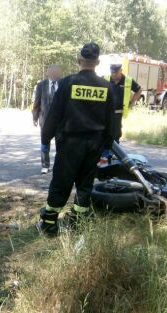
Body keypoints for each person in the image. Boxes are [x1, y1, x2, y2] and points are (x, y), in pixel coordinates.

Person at [37, 43, 115, 235]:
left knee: (61, 183)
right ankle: (77, 222)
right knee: (85, 184)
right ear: (97, 62)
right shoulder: (106, 87)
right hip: (94, 145)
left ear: (79, 60)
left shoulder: (67, 83)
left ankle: (49, 224)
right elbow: (111, 121)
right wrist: (108, 145)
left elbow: (54, 115)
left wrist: (45, 139)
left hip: (70, 143)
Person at [98, 63, 142, 165]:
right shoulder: (105, 78)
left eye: (115, 72)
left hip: (118, 113)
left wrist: (132, 103)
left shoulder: (127, 81)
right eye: (112, 72)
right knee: (103, 133)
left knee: (115, 134)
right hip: (104, 112)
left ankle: (112, 155)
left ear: (120, 71)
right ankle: (103, 156)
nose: (113, 75)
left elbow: (139, 90)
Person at [32, 65, 62, 174]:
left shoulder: (63, 83)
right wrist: (35, 117)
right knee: (45, 144)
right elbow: (37, 102)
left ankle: (59, 165)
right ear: (48, 73)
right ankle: (45, 165)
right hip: (45, 120)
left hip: (60, 121)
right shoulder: (41, 85)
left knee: (60, 144)